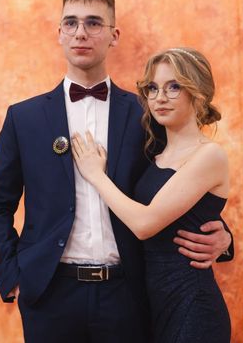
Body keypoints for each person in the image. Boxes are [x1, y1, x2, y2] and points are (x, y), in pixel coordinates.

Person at [0, 0, 233, 343]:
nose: (81, 33)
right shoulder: (24, 118)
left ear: (114, 35)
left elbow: (175, 180)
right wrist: (13, 276)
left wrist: (223, 237)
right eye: (71, 23)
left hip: (127, 296)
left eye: (94, 23)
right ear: (59, 33)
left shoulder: (147, 114)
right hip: (49, 295)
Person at [71, 47, 232, 342]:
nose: (160, 97)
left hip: (191, 302)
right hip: (152, 302)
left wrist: (95, 174)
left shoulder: (210, 155)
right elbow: (191, 214)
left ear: (197, 93)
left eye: (174, 87)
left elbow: (145, 224)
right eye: (153, 88)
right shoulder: (155, 152)